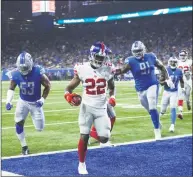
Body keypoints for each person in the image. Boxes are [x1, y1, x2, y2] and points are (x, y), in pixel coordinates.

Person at [64, 42, 116, 175]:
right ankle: (81, 164)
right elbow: (68, 89)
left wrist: (113, 96)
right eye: (98, 56)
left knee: (104, 138)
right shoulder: (82, 69)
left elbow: (112, 86)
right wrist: (68, 97)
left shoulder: (108, 69)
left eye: (102, 57)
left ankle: (95, 135)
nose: (100, 59)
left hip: (101, 108)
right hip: (86, 108)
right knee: (84, 136)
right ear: (92, 55)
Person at [115, 41, 175, 140]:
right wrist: (112, 72)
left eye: (139, 50)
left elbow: (162, 67)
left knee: (152, 106)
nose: (137, 53)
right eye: (135, 51)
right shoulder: (130, 61)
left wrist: (167, 78)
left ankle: (157, 132)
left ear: (144, 49)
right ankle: (158, 124)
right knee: (149, 110)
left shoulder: (151, 56)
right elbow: (122, 70)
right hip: (140, 89)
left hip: (152, 84)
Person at [5, 52, 51, 155]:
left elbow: (48, 85)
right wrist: (8, 101)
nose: (24, 70)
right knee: (18, 122)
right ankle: (24, 147)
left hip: (36, 103)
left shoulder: (38, 71)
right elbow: (11, 88)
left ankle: (33, 117)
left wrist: (42, 99)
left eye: (26, 67)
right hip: (23, 102)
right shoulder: (15, 73)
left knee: (40, 128)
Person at [160, 57, 184, 132]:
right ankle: (160, 115)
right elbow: (160, 82)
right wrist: (166, 82)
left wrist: (183, 88)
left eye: (174, 62)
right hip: (166, 92)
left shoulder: (179, 71)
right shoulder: (165, 70)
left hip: (174, 92)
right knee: (163, 110)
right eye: (172, 62)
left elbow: (182, 81)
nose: (173, 63)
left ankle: (172, 125)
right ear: (169, 62)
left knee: (173, 107)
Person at [177, 50, 192, 119]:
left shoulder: (190, 61)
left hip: (188, 82)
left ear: (186, 56)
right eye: (181, 55)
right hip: (180, 82)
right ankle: (180, 112)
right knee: (180, 97)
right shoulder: (176, 62)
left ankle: (188, 102)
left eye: (184, 55)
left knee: (187, 97)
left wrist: (190, 73)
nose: (182, 57)